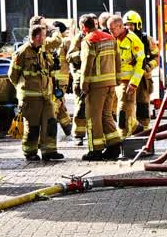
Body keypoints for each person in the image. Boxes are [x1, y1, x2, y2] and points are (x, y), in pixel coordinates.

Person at [8, 24, 64, 161]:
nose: (45, 39)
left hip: (46, 96)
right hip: (30, 98)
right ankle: (30, 152)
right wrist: (23, 89)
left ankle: (49, 151)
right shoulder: (22, 52)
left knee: (50, 123)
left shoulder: (42, 51)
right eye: (44, 36)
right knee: (32, 126)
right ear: (37, 37)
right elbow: (12, 75)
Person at [78, 14, 122, 161]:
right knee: (106, 115)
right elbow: (117, 59)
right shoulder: (110, 38)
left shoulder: (89, 40)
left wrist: (83, 86)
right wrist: (117, 79)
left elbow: (87, 65)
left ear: (84, 27)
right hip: (110, 83)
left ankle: (95, 150)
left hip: (96, 86)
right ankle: (114, 147)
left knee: (93, 118)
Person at [108, 14, 145, 138]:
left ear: (120, 26)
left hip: (127, 83)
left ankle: (122, 139)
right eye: (109, 29)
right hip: (114, 82)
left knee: (122, 113)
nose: (110, 32)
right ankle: (135, 126)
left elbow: (141, 62)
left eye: (112, 29)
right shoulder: (113, 38)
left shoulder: (133, 40)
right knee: (111, 111)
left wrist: (134, 83)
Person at [123, 10, 159, 130]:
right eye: (126, 24)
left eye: (131, 24)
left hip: (143, 79)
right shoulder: (121, 39)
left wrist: (148, 66)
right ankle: (128, 128)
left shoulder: (146, 39)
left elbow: (156, 57)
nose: (128, 27)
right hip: (127, 79)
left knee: (143, 104)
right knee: (126, 105)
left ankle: (144, 128)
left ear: (138, 25)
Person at [66, 15, 94, 146]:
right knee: (81, 107)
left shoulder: (97, 36)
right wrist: (83, 54)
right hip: (80, 77)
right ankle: (79, 135)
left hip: (95, 77)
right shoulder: (79, 38)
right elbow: (69, 56)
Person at [51, 20, 73, 139]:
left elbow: (72, 58)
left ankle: (50, 132)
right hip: (54, 80)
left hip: (60, 81)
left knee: (53, 107)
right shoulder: (52, 42)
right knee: (59, 107)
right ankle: (69, 132)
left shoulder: (66, 41)